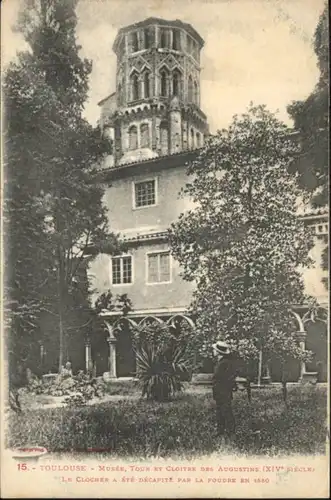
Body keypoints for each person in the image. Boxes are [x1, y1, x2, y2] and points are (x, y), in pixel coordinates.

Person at [212, 341, 238, 438]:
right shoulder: (221, 362)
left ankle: (231, 431)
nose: (213, 351)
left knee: (226, 410)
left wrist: (227, 387)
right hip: (219, 390)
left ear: (218, 352)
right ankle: (221, 431)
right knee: (220, 411)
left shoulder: (225, 363)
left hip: (224, 390)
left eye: (214, 350)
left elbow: (227, 377)